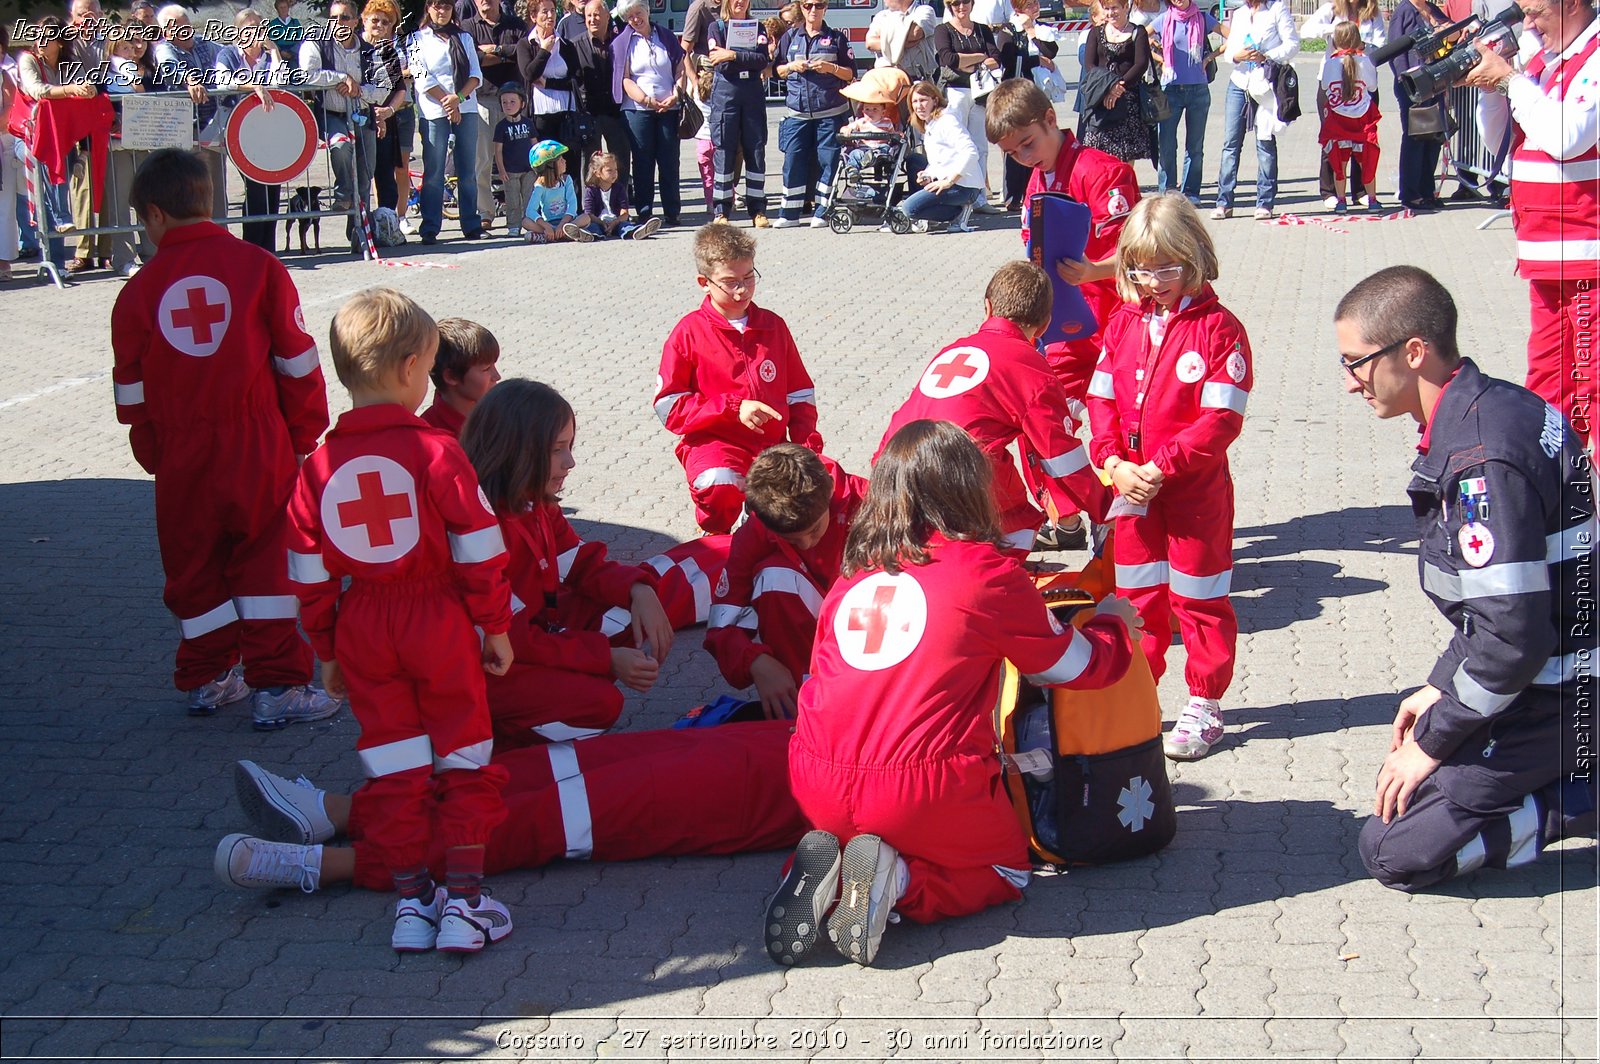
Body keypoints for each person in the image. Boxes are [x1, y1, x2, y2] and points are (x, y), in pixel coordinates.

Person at [764, 419, 1137, 967]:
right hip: (922, 787)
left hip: (813, 776)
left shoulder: (851, 574)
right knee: (1006, 870)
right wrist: (1112, 625)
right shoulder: (984, 571)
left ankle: (838, 867)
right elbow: (1073, 668)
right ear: (966, 487)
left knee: (883, 822)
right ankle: (897, 881)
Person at [1335, 265, 1598, 891]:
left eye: (1357, 363)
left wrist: (1435, 742)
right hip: (1552, 671)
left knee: (1396, 851)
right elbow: (1494, 610)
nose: (1351, 383)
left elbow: (1512, 638)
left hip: (1560, 694)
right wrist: (1439, 687)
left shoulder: (1480, 459)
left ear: (1414, 352)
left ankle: (1579, 796)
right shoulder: (1492, 405)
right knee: (1412, 780)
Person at [283, 288, 516, 953]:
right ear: (416, 367)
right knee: (465, 755)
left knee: (394, 766)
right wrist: (494, 625)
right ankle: (466, 905)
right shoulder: (438, 453)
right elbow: (479, 546)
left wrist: (326, 646)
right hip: (436, 620)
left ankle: (412, 903)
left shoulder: (318, 466)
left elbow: (307, 568)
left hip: (362, 625)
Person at [110, 149, 336, 728]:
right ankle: (279, 686)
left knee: (193, 563)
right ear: (208, 200)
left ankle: (209, 677)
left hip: (181, 449)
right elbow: (296, 360)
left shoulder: (137, 291)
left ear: (155, 214)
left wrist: (151, 448)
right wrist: (304, 433)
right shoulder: (258, 267)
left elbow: (130, 389)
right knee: (265, 561)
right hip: (256, 439)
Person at [215, 718, 808, 895]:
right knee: (525, 772)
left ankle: (318, 867)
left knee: (532, 822)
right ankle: (336, 814)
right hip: (777, 739)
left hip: (771, 790)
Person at [1087, 194, 1251, 761]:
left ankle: (1205, 703)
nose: (1152, 280)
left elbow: (1220, 420)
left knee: (1199, 597)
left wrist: (1160, 466)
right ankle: (1139, 693)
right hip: (1132, 490)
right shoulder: (1123, 321)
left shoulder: (1219, 329)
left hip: (1193, 494)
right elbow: (1100, 400)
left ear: (1195, 256)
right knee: (1137, 598)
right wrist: (1111, 463)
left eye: (1167, 267)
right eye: (1139, 267)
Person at [459, 379, 676, 746]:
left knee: (627, 615)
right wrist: (605, 659)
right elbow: (515, 640)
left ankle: (554, 698)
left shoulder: (531, 497)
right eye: (558, 449)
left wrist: (639, 589)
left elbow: (579, 563)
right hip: (485, 667)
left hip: (527, 638)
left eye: (570, 447)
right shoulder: (481, 527)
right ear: (515, 452)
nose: (570, 462)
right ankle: (496, 745)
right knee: (600, 704)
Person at [986, 77, 1140, 523]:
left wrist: (1095, 271)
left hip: (1117, 321)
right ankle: (1066, 514)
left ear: (1051, 119)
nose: (1023, 157)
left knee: (1124, 425)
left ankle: (1130, 518)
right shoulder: (1034, 182)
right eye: (1013, 153)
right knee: (1040, 415)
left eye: (1028, 144)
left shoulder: (1103, 171)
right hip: (1062, 326)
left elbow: (1139, 254)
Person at [879, 261, 1110, 553]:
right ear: (1046, 324)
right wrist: (1106, 509)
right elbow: (1061, 457)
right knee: (1021, 521)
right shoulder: (1031, 369)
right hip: (960, 476)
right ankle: (999, 567)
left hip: (894, 474)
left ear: (987, 308)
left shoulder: (953, 350)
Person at [1464, 0, 1599, 444]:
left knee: (1592, 388)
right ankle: (1564, 498)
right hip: (1548, 256)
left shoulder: (1595, 55)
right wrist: (1491, 89)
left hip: (1586, 256)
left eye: (1537, 12)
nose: (1528, 23)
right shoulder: (1545, 60)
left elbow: (1567, 138)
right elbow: (1497, 140)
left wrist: (1511, 80)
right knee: (1548, 384)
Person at [653, 224, 822, 534]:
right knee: (719, 483)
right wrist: (732, 408)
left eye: (749, 278)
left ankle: (754, 522)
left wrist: (806, 445)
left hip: (771, 445)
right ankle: (715, 533)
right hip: (715, 442)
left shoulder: (773, 325)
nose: (742, 290)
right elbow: (669, 406)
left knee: (809, 497)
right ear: (704, 282)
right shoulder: (688, 332)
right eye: (730, 282)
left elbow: (800, 394)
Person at [705, 444, 868, 719]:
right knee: (774, 576)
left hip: (867, 631)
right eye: (792, 540)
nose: (807, 542)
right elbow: (722, 622)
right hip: (816, 634)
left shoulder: (872, 505)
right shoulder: (756, 530)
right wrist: (755, 661)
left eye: (815, 529)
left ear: (829, 490)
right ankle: (800, 707)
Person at [300, 0, 392, 252]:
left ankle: (358, 233)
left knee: (365, 172)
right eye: (333, 18)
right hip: (332, 114)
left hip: (362, 115)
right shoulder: (316, 43)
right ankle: (342, 194)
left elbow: (383, 89)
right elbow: (307, 73)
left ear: (354, 22)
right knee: (340, 147)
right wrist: (341, 78)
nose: (337, 23)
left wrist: (358, 90)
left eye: (344, 18)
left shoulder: (370, 51)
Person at [17, 15, 105, 274]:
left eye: (47, 37)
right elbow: (37, 90)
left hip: (62, 138)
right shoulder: (28, 60)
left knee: (52, 187)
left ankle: (56, 261)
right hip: (28, 136)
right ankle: (59, 230)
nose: (41, 42)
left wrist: (88, 90)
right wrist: (71, 90)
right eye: (37, 37)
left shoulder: (70, 64)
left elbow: (84, 89)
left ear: (60, 42)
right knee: (47, 187)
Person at [771, 0, 856, 229]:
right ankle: (789, 213)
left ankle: (823, 211)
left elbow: (850, 74)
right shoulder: (789, 37)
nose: (813, 10)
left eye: (818, 5)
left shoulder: (837, 38)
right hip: (797, 113)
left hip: (830, 112)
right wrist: (791, 67)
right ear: (801, 7)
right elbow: (775, 70)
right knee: (793, 161)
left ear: (825, 8)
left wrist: (831, 69)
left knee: (828, 162)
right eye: (808, 6)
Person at [1211, 0, 1298, 220]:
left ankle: (1265, 202)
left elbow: (1292, 44)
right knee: (1231, 143)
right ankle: (1224, 202)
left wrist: (1267, 55)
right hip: (1239, 82)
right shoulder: (1240, 13)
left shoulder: (1277, 8)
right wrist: (1235, 56)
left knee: (1265, 142)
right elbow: (1231, 47)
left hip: (1265, 84)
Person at [409, 0, 486, 243]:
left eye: (446, 7)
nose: (441, 12)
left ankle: (471, 224)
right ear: (428, 9)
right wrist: (448, 103)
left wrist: (459, 98)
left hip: (466, 105)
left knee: (467, 171)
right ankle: (430, 226)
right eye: (436, 7)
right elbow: (421, 78)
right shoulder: (416, 40)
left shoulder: (464, 37)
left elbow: (476, 74)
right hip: (434, 110)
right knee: (433, 170)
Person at [213, 8, 289, 254]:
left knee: (272, 186)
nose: (255, 32)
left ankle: (268, 247)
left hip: (269, 130)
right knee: (256, 186)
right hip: (239, 130)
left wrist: (275, 50)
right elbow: (222, 81)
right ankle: (253, 247)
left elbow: (281, 82)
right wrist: (253, 86)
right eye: (248, 28)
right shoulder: (228, 55)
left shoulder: (269, 57)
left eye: (258, 26)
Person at [612, 0, 685, 226]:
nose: (635, 18)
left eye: (638, 12)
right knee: (643, 162)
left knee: (669, 161)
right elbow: (624, 78)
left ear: (647, 10)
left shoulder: (666, 36)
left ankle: (672, 211)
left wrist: (676, 93)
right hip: (638, 109)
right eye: (630, 16)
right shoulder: (622, 42)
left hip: (669, 106)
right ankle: (644, 212)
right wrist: (646, 100)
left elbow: (680, 68)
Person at [154, 6, 228, 224]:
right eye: (178, 26)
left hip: (213, 126)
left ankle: (219, 238)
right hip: (182, 131)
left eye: (186, 24)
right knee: (184, 191)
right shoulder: (164, 49)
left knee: (215, 188)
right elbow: (169, 67)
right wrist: (189, 80)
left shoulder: (206, 44)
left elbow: (229, 54)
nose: (185, 30)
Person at [706, 0, 773, 226]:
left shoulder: (758, 28)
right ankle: (722, 211)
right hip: (726, 94)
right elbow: (720, 64)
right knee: (724, 149)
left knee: (755, 149)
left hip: (752, 93)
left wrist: (732, 55)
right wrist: (742, 58)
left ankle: (758, 210)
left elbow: (762, 60)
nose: (740, 2)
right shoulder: (717, 28)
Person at [462, 0, 527, 233]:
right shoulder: (468, 26)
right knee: (483, 160)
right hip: (484, 99)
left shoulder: (516, 24)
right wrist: (504, 54)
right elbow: (475, 59)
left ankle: (521, 211)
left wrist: (495, 51)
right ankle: (485, 212)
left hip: (515, 100)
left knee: (519, 159)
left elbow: (521, 53)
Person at [1146, 0, 1219, 204]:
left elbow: (1231, 36)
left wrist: (1209, 57)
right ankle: (1168, 191)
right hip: (1170, 90)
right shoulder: (1164, 19)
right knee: (1167, 144)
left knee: (1195, 146)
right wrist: (1160, 58)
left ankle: (1191, 192)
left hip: (1198, 90)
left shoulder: (1203, 18)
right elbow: (1140, 38)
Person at [104, 27, 163, 276]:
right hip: (117, 146)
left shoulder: (145, 72)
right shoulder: (106, 73)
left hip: (143, 142)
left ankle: (153, 252)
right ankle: (124, 258)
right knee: (119, 203)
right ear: (113, 49)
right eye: (125, 47)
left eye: (132, 46)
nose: (131, 51)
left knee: (148, 200)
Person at [934, 0, 1003, 208]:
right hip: (955, 92)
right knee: (957, 145)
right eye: (955, 4)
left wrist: (971, 62)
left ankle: (980, 198)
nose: (961, 7)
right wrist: (982, 58)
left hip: (981, 92)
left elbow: (996, 58)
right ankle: (957, 197)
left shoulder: (982, 29)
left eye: (964, 2)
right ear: (949, 6)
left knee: (980, 146)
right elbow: (948, 59)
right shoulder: (942, 30)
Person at [1386, 0, 1451, 212]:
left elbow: (1452, 35)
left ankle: (1427, 191)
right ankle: (1410, 193)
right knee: (1415, 138)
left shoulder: (1431, 8)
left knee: (1432, 138)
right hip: (1412, 84)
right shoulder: (1404, 11)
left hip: (1435, 80)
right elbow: (1394, 51)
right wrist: (1407, 82)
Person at [996, 0, 1061, 209]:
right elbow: (1007, 59)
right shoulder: (1008, 29)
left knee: (1036, 140)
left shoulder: (1039, 28)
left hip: (1037, 94)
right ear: (1018, 9)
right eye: (1030, 5)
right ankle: (1013, 195)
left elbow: (1050, 51)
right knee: (1016, 143)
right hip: (1016, 92)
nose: (1036, 7)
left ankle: (1035, 191)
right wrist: (1037, 61)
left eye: (1036, 3)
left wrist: (1031, 30)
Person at [897, 80, 986, 231]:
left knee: (909, 208)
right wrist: (927, 174)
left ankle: (958, 213)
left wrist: (949, 182)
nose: (919, 106)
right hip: (948, 181)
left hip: (965, 187)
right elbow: (939, 160)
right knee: (914, 160)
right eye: (915, 101)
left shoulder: (947, 121)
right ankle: (943, 214)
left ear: (935, 100)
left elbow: (971, 152)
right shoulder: (929, 124)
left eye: (923, 100)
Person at [1318, 22, 1382, 213]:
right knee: (1366, 160)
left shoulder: (1330, 63)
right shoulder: (1366, 61)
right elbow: (1372, 87)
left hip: (1338, 120)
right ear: (1358, 40)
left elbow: (1324, 87)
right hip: (1362, 120)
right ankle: (1371, 200)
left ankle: (1341, 202)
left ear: (1335, 42)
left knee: (1340, 164)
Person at [566, 0, 631, 190]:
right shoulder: (575, 45)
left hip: (616, 112)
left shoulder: (618, 42)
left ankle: (621, 205)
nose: (592, 19)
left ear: (607, 16)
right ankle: (591, 209)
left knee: (619, 160)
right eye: (588, 16)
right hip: (589, 114)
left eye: (596, 15)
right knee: (591, 164)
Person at [1081, 0, 1155, 165]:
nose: (1110, 13)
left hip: (1128, 101)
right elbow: (1089, 64)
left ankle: (1123, 189)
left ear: (1125, 7)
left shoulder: (1138, 32)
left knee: (1125, 157)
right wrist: (1108, 88)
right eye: (1106, 9)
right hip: (1101, 100)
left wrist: (1119, 87)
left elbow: (1141, 64)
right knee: (1098, 155)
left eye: (1114, 8)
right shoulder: (1095, 32)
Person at [363, 0, 415, 224]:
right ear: (364, 20)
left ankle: (388, 224)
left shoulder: (389, 53)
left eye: (386, 22)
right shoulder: (354, 47)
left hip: (387, 120)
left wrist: (388, 111)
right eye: (375, 20)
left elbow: (400, 89)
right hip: (360, 119)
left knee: (386, 175)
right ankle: (361, 226)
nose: (379, 25)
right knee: (363, 176)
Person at [516, 0, 581, 152]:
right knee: (547, 164)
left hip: (567, 113)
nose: (550, 16)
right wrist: (544, 51)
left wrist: (549, 84)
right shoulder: (525, 44)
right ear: (533, 16)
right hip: (540, 114)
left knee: (569, 164)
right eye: (545, 12)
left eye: (553, 10)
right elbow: (530, 74)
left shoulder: (566, 45)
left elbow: (576, 79)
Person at [420, 317, 502, 436]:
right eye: (486, 369)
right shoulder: (429, 435)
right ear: (451, 376)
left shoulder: (502, 416)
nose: (497, 376)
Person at [520, 137, 594, 242]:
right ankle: (563, 235)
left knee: (586, 217)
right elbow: (530, 211)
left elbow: (572, 205)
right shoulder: (540, 186)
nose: (565, 161)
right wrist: (546, 226)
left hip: (567, 222)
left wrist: (563, 224)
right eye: (560, 160)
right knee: (525, 222)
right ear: (550, 166)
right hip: (549, 223)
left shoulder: (567, 180)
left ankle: (554, 235)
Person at [581, 148, 661, 237]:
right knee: (593, 227)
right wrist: (601, 223)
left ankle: (637, 232)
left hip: (616, 221)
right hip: (598, 222)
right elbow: (589, 214)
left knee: (625, 226)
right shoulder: (591, 190)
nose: (614, 173)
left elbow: (624, 213)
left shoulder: (619, 188)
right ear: (598, 173)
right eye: (609, 170)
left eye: (615, 170)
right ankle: (588, 235)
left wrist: (616, 221)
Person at [493, 82, 537, 226]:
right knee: (512, 200)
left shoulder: (528, 123)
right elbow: (498, 150)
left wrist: (537, 165)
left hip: (529, 169)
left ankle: (530, 223)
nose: (508, 105)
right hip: (510, 171)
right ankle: (513, 225)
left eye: (513, 101)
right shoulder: (501, 126)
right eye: (504, 102)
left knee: (529, 198)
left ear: (522, 103)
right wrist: (501, 169)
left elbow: (535, 145)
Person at [865, 0, 939, 81]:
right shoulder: (881, 16)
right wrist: (902, 42)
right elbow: (870, 43)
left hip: (917, 84)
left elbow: (915, 33)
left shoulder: (924, 11)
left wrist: (886, 36)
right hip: (887, 83)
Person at [266, 0, 305, 67]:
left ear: (288, 8)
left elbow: (300, 39)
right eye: (281, 7)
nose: (283, 9)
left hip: (293, 54)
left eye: (285, 7)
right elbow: (270, 41)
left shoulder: (295, 22)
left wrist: (291, 52)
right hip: (279, 53)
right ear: (277, 9)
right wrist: (280, 51)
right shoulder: (273, 24)